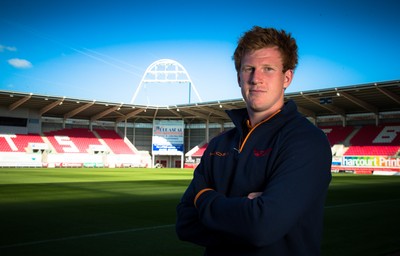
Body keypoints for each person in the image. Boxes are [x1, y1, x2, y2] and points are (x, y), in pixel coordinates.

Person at [175, 26, 332, 256]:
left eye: (268, 69)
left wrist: (203, 197)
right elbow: (185, 223)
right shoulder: (219, 145)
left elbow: (261, 226)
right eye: (249, 68)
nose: (256, 78)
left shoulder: (306, 141)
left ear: (287, 77)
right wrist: (245, 216)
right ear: (239, 77)